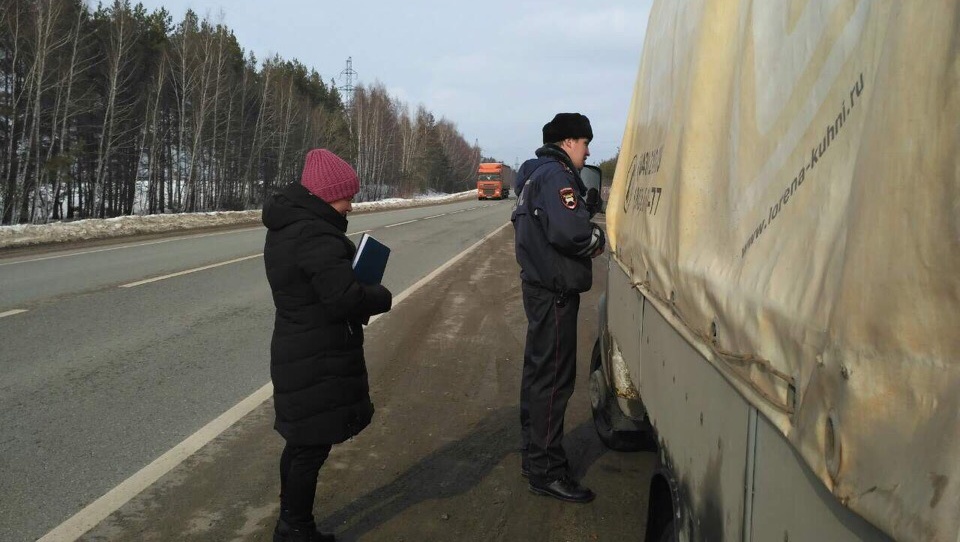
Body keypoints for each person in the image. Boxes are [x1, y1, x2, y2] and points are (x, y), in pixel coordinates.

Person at [262, 148, 393, 542]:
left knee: (302, 445)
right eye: (345, 197)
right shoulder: (314, 234)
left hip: (300, 348)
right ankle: (295, 529)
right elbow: (344, 299)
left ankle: (292, 524)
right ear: (325, 196)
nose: (350, 205)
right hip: (316, 356)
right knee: (309, 449)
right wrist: (380, 295)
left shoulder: (291, 226)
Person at [511, 113, 606, 503]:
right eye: (585, 143)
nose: (588, 152)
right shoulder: (556, 177)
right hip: (554, 294)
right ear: (568, 142)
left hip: (540, 288)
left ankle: (534, 455)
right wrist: (598, 237)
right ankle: (547, 471)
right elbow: (571, 232)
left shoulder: (534, 175)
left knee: (538, 376)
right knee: (553, 381)